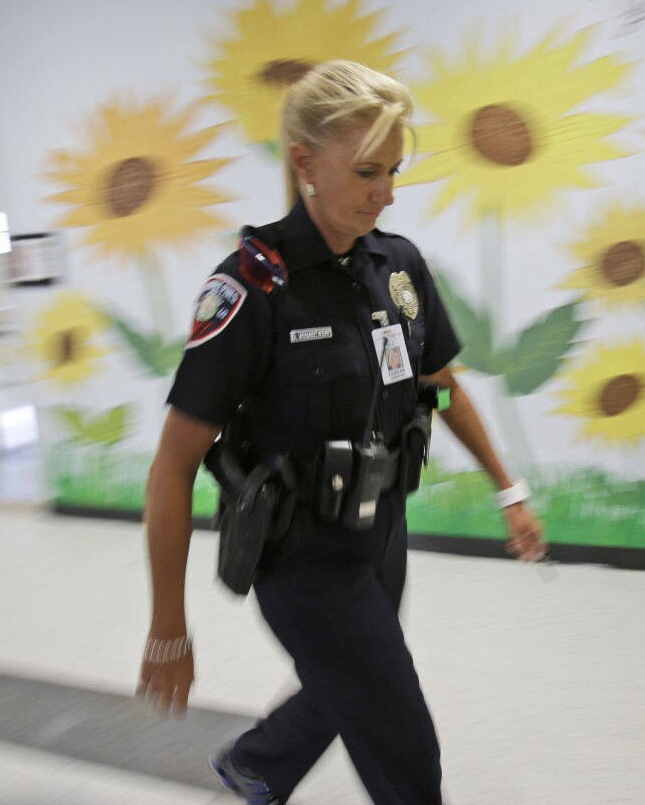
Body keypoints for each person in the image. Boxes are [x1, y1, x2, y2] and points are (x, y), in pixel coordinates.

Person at [137, 60, 547, 805]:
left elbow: (440, 388)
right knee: (403, 748)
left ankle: (259, 763)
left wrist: (507, 489)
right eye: (366, 172)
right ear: (304, 163)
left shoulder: (398, 266)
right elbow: (171, 468)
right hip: (301, 560)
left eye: (393, 172)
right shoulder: (250, 289)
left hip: (381, 534)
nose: (385, 193)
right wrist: (170, 625)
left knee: (349, 681)